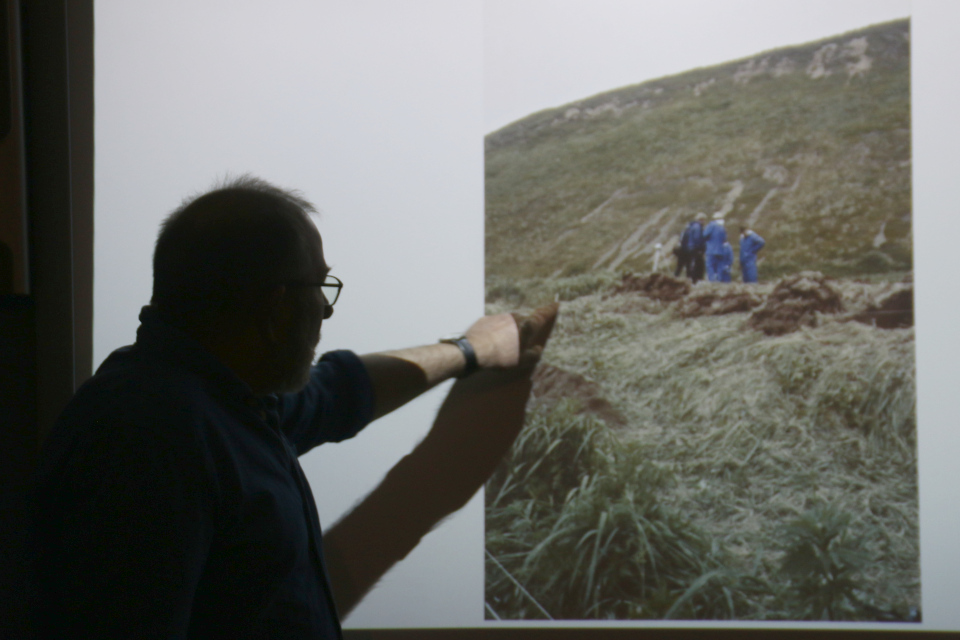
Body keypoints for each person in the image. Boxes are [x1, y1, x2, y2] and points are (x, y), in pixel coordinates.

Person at [31, 176, 554, 640]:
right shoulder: (148, 438)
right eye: (320, 289)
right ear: (278, 305)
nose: (325, 311)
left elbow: (337, 393)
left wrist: (469, 351)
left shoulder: (219, 397)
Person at [674, 212, 706, 283]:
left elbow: (681, 239)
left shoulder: (688, 227)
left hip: (684, 249)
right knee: (694, 266)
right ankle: (693, 281)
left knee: (680, 266)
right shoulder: (697, 227)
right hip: (693, 249)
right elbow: (697, 239)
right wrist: (701, 249)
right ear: (701, 219)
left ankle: (676, 278)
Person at [703, 212, 727, 282]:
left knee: (710, 266)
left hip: (711, 250)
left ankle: (712, 281)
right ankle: (719, 280)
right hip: (720, 251)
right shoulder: (722, 228)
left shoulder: (711, 225)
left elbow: (704, 235)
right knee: (719, 266)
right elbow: (724, 239)